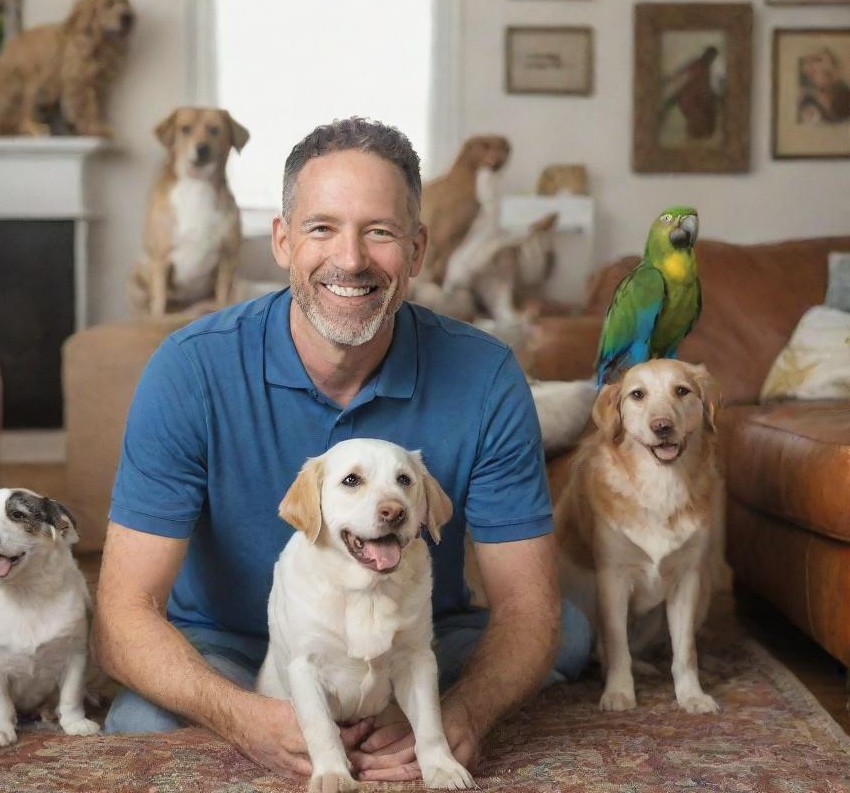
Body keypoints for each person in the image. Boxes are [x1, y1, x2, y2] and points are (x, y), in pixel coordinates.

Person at [93, 117, 590, 782]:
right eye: (322, 228)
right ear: (281, 241)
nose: (350, 260)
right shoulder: (188, 370)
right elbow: (122, 617)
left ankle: (404, 714)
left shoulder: (487, 375)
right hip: (233, 647)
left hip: (412, 635)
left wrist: (458, 713)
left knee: (565, 634)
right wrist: (243, 716)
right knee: (142, 720)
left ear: (416, 252)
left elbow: (527, 609)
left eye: (379, 232)